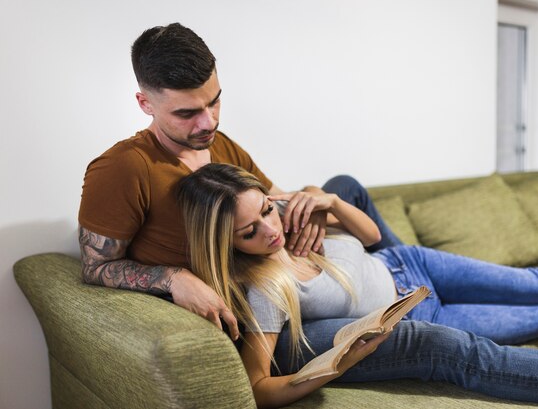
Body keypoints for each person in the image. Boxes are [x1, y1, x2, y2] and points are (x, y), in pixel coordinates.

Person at [176, 162, 538, 408]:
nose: (268, 231)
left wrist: (327, 201)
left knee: (533, 285)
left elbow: (372, 238)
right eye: (248, 232)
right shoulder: (265, 290)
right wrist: (333, 365)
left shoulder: (295, 225)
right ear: (224, 243)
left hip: (408, 262)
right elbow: (257, 387)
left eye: (267, 211)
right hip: (419, 312)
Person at [78, 23, 396, 339]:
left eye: (214, 101)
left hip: (294, 271)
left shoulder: (219, 144)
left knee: (342, 187)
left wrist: (313, 197)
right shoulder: (122, 168)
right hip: (266, 313)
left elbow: (274, 202)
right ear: (145, 103)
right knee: (416, 336)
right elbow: (95, 267)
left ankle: (401, 267)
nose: (209, 121)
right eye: (187, 113)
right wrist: (174, 278)